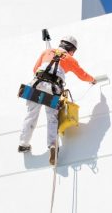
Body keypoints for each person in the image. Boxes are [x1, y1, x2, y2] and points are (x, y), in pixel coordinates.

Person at [18, 35, 96, 165]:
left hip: (36, 84)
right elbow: (83, 75)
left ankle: (23, 143)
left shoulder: (46, 52)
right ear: (71, 49)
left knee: (31, 115)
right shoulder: (71, 59)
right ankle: (53, 145)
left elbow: (34, 69)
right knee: (52, 118)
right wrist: (92, 80)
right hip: (53, 89)